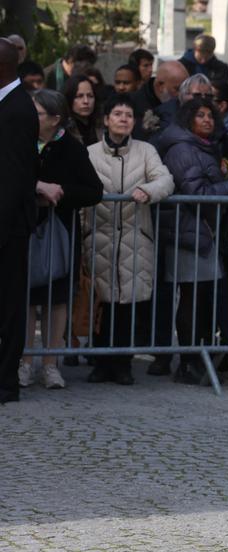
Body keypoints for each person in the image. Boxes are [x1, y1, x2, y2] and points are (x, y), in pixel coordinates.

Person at [83, 94, 174, 385]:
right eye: (118, 114)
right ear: (106, 119)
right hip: (99, 235)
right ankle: (100, 362)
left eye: (128, 115)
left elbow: (165, 179)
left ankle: (123, 363)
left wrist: (149, 190)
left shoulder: (146, 151)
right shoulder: (91, 153)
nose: (123, 119)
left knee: (126, 302)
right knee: (101, 302)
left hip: (135, 235)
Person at [19, 89, 102, 390]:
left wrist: (60, 191)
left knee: (57, 300)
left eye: (38, 113)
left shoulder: (71, 148)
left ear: (55, 119)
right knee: (25, 300)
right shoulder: (20, 141)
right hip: (24, 228)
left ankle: (51, 363)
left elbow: (94, 191)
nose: (31, 118)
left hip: (61, 233)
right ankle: (25, 361)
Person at [159, 98, 228, 385]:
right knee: (191, 298)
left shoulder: (203, 147)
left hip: (202, 232)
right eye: (200, 115)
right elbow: (198, 192)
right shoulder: (183, 149)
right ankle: (188, 361)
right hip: (189, 233)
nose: (207, 119)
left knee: (200, 297)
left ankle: (195, 358)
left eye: (211, 115)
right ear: (188, 119)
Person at [0, 37, 40, 404]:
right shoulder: (10, 104)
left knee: (10, 306)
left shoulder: (16, 110)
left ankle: (5, 382)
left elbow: (13, 179)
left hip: (7, 228)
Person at [131, 59, 187, 141]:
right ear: (160, 86)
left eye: (185, 89)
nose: (182, 94)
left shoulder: (184, 103)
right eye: (177, 89)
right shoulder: (133, 105)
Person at [62, 73, 101, 146]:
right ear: (69, 98)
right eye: (79, 96)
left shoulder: (102, 126)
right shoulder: (63, 130)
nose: (86, 101)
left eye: (90, 96)